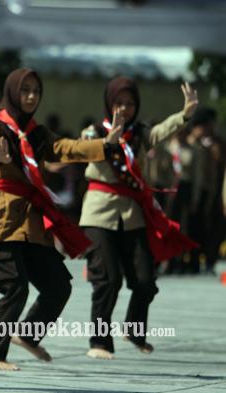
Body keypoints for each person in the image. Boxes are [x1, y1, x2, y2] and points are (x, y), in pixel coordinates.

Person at [0, 68, 120, 371]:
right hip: (0, 221)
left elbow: (65, 148)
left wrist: (104, 144)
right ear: (12, 92)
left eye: (35, 91)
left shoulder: (38, 133)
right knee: (15, 287)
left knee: (58, 285)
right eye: (24, 90)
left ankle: (28, 335)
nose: (30, 96)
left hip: (30, 225)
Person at [79, 77, 198, 359]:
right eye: (119, 103)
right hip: (98, 213)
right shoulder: (92, 132)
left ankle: (134, 330)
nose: (124, 109)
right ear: (109, 103)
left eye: (130, 104)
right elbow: (87, 157)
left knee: (145, 280)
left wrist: (185, 114)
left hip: (132, 214)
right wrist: (108, 141)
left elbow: (161, 132)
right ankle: (99, 342)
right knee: (107, 279)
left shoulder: (140, 134)